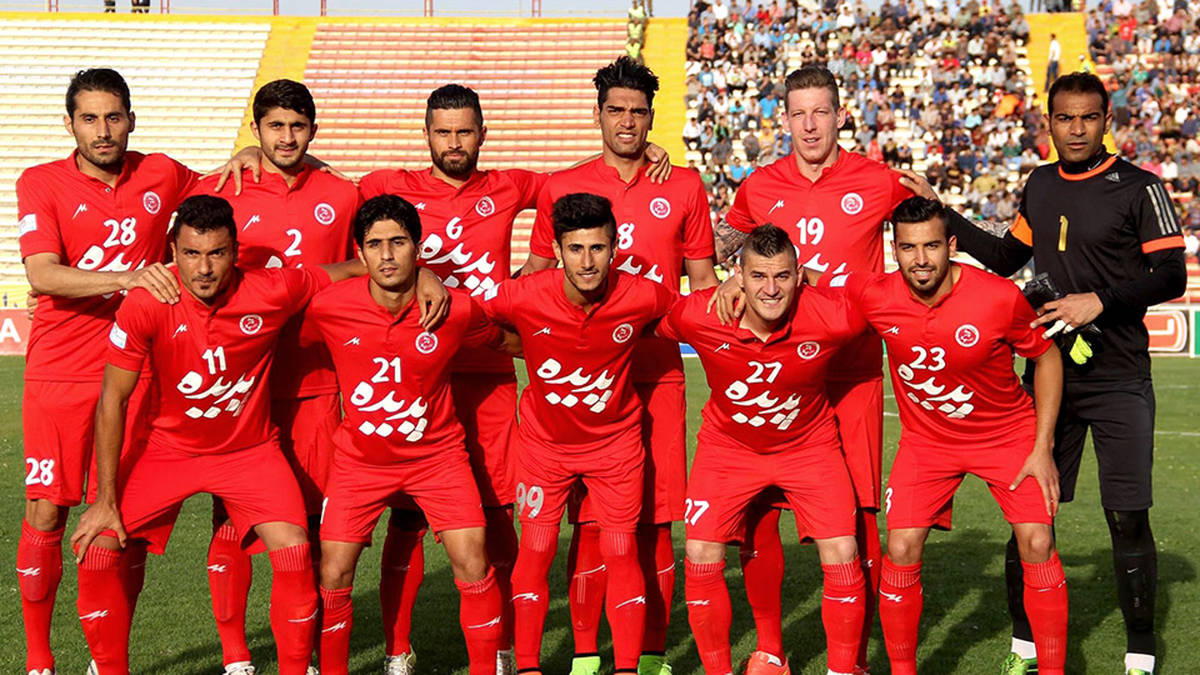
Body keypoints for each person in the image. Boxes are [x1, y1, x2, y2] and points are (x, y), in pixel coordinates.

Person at [356, 82, 668, 675]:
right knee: (408, 516)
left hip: (493, 375)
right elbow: (317, 187)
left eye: (464, 131)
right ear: (426, 134)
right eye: (443, 132)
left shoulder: (512, 186)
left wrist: (635, 151)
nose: (454, 142)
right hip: (417, 373)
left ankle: (504, 649)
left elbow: (575, 185)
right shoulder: (388, 186)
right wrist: (253, 155)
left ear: (483, 133)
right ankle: (397, 649)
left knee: (502, 515)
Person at [936, 73, 1187, 675]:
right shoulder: (1040, 184)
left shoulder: (1142, 188)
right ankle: (1023, 647)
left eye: (1088, 117)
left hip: (1120, 377)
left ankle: (1140, 653)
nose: (1076, 129)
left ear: (1107, 121)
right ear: (1048, 123)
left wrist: (1099, 300)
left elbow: (1172, 276)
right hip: (1049, 378)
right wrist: (943, 214)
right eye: (1065, 118)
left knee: (1127, 516)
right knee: (1032, 515)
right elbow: (1005, 258)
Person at [69, 194, 366, 675]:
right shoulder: (148, 301)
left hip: (250, 452)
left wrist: (425, 276)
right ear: (172, 251)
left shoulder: (272, 288)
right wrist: (105, 499)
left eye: (217, 253)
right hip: (169, 451)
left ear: (235, 251)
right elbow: (113, 400)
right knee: (98, 550)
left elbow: (353, 267)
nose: (204, 268)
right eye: (191, 253)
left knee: (294, 549)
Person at [710, 65, 922, 674]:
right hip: (776, 374)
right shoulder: (759, 185)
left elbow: (932, 234)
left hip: (851, 374)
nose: (809, 125)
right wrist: (726, 274)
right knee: (760, 507)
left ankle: (854, 658)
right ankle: (770, 649)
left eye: (820, 112)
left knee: (857, 513)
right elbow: (718, 247)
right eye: (798, 114)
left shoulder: (879, 181)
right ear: (784, 120)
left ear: (839, 115)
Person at [520, 56, 719, 675]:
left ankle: (650, 657)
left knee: (654, 524)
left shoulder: (683, 186)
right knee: (587, 525)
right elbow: (535, 278)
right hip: (578, 384)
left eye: (637, 111)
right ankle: (585, 656)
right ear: (598, 114)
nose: (627, 122)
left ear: (651, 117)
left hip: (655, 376)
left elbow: (702, 286)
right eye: (616, 110)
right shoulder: (561, 186)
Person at [15, 67, 208, 675]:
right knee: (47, 512)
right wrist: (129, 278)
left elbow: (229, 197)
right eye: (90, 118)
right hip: (60, 373)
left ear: (132, 119)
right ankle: (40, 660)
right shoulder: (40, 182)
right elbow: (42, 273)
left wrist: (251, 152)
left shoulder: (164, 174)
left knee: (127, 518)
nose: (102, 130)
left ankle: (107, 660)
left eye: (113, 117)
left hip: (140, 374)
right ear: (69, 123)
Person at [824, 197, 1068, 675]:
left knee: (1037, 543)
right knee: (900, 548)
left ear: (951, 245)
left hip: (1006, 435)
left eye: (931, 246)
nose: (920, 260)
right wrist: (736, 281)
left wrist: (1042, 447)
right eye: (908, 248)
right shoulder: (876, 293)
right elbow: (808, 280)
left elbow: (1048, 357)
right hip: (928, 442)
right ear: (894, 249)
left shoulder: (998, 296)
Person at [190, 78, 362, 675]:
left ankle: (302, 653)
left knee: (312, 525)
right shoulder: (221, 189)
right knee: (234, 522)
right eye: (274, 126)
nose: (286, 137)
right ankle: (236, 657)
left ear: (313, 129)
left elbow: (369, 260)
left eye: (297, 126)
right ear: (255, 129)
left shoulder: (343, 192)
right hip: (243, 385)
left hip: (320, 381)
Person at [306, 195, 511, 675]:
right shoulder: (328, 307)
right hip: (359, 460)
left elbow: (506, 341)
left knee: (472, 559)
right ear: (360, 253)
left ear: (418, 248)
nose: (387, 255)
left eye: (398, 242)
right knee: (333, 570)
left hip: (438, 458)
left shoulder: (454, 310)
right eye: (375, 244)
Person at [658, 224, 868, 675]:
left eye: (782, 276)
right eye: (757, 276)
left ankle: (841, 671)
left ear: (799, 276)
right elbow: (640, 313)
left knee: (842, 549)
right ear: (737, 275)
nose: (771, 289)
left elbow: (881, 297)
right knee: (700, 553)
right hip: (728, 448)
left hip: (809, 445)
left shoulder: (835, 316)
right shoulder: (700, 314)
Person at [484, 193, 677, 675]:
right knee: (536, 550)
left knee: (620, 550)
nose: (587, 261)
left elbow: (692, 313)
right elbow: (470, 316)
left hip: (616, 447)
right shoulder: (523, 294)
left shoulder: (643, 294)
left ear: (615, 247)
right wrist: (520, 344)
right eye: (575, 249)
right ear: (557, 249)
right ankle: (529, 667)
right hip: (544, 448)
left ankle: (627, 669)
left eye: (597, 248)